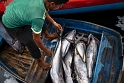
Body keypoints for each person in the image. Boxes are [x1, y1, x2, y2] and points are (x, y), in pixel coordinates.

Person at [1, 0, 69, 70]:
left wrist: (53, 22)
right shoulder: (37, 17)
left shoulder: (43, 2)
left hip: (19, 13)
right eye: (60, 6)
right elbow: (36, 39)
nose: (60, 7)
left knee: (40, 20)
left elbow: (43, 12)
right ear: (52, 3)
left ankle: (47, 35)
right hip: (12, 24)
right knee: (30, 42)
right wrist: (45, 49)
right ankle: (40, 61)